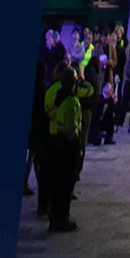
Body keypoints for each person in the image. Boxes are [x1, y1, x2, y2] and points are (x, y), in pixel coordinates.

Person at [36, 53, 87, 233]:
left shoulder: (51, 92)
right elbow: (72, 128)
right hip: (66, 143)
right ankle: (61, 217)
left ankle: (53, 213)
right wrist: (77, 148)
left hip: (53, 140)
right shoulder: (71, 102)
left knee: (54, 180)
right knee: (65, 183)